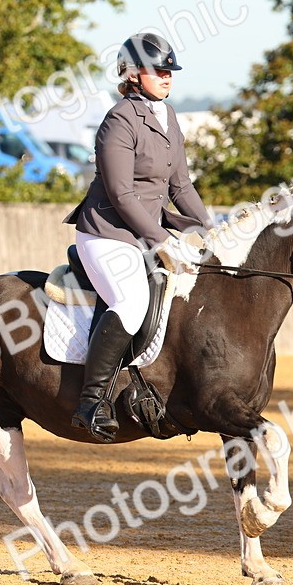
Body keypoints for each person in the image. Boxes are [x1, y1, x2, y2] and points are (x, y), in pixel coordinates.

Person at [63, 32, 212, 442]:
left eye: (170, 71)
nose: (167, 77)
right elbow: (120, 193)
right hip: (107, 232)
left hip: (148, 232)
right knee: (130, 302)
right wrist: (161, 240)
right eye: (158, 70)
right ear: (132, 74)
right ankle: (91, 402)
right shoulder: (120, 119)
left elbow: (181, 186)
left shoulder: (170, 117)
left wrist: (210, 229)